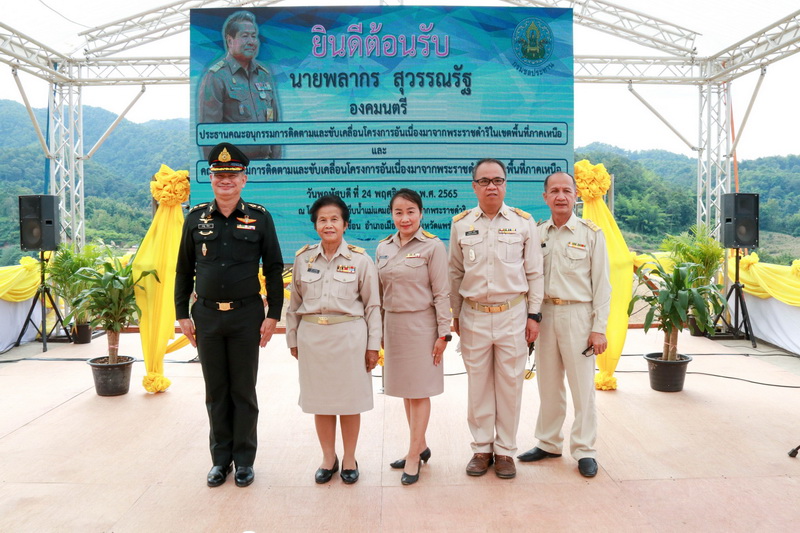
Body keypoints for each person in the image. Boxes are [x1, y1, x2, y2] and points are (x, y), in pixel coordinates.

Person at [175, 142, 284, 488]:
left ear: (244, 179)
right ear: (210, 177)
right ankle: (220, 461)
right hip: (206, 316)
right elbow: (183, 270)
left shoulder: (260, 217)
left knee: (243, 390)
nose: (226, 180)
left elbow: (274, 266)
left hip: (245, 316)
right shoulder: (194, 218)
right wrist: (182, 313)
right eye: (219, 174)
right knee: (216, 390)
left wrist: (274, 314)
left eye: (233, 174)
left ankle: (245, 461)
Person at [449, 158, 544, 479]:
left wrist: (534, 315)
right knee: (478, 386)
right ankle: (481, 448)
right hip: (473, 315)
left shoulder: (523, 222)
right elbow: (454, 272)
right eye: (485, 181)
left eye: (498, 180)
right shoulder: (461, 223)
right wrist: (456, 315)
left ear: (505, 185)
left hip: (513, 315)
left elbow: (534, 272)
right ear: (474, 186)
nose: (492, 186)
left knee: (509, 384)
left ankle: (505, 451)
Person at [517, 171, 611, 478]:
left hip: (578, 317)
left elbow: (602, 286)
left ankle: (584, 449)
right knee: (548, 384)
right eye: (554, 191)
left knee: (583, 388)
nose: (561, 196)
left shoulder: (590, 234)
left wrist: (599, 328)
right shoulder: (537, 232)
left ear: (575, 196)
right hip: (544, 315)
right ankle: (548, 442)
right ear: (544, 197)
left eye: (566, 191)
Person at [285, 195, 381, 485]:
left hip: (350, 338)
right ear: (315, 225)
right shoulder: (303, 258)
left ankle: (349, 457)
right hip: (312, 338)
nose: (328, 224)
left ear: (345, 224)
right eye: (322, 219)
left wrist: (373, 345)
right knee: (321, 402)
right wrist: (292, 339)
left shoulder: (361, 259)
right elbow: (294, 304)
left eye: (334, 219)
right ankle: (329, 458)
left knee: (349, 402)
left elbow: (373, 306)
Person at [376, 188, 451, 486]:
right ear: (391, 215)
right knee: (406, 390)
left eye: (410, 211)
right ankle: (420, 446)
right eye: (398, 212)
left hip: (422, 326)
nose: (404, 218)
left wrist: (443, 333)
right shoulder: (383, 247)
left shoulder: (433, 247)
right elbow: (379, 294)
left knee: (419, 391)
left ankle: (412, 455)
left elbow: (442, 292)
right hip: (393, 326)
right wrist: (377, 330)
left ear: (421, 213)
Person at [198, 10, 281, 160]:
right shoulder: (216, 77)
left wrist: (277, 168)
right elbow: (209, 134)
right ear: (230, 41)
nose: (251, 41)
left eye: (254, 36)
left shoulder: (264, 75)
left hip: (265, 169)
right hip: (234, 170)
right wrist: (221, 174)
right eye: (245, 36)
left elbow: (275, 127)